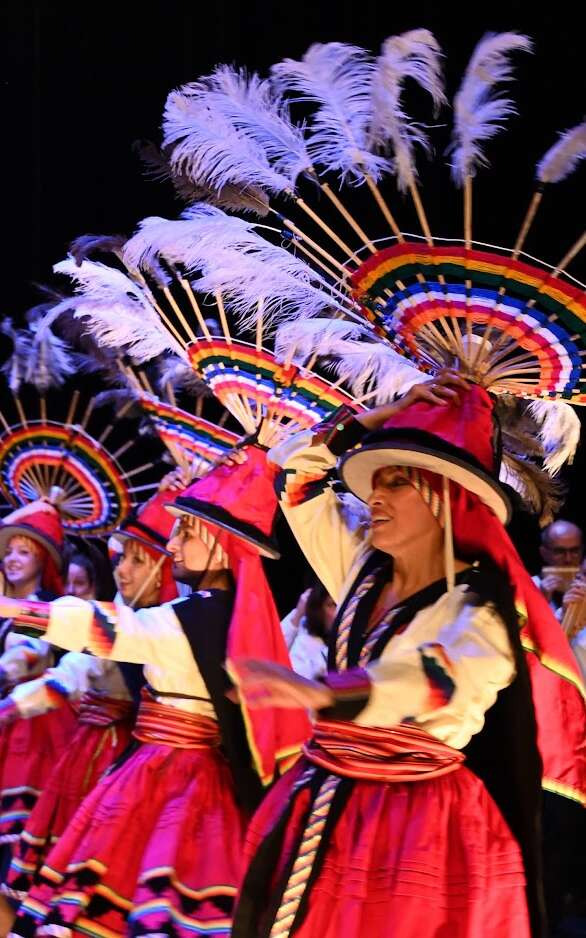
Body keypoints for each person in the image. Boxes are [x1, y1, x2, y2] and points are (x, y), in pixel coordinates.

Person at [228, 374, 586, 938]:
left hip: (416, 827)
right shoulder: (359, 570)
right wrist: (379, 415)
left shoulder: (480, 609)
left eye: (395, 482)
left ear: (446, 497)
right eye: (376, 480)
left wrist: (330, 693)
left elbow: (437, 679)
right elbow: (296, 472)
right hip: (327, 797)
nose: (373, 496)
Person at [0, 446, 309, 937]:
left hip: (171, 777)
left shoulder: (197, 616)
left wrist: (14, 611)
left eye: (186, 532)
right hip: (182, 774)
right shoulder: (231, 617)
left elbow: (109, 629)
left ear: (220, 542)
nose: (174, 545)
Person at [0, 484, 181, 914]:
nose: (123, 571)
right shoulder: (125, 608)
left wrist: (12, 701)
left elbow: (67, 668)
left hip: (129, 750)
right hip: (99, 741)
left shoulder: (170, 617)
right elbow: (77, 668)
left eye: (138, 560)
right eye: (122, 560)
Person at [281, 583, 336, 679]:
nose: (338, 611)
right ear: (319, 609)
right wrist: (297, 615)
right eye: (332, 605)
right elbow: (272, 651)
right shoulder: (304, 634)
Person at [533, 520, 584, 610]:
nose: (568, 559)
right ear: (544, 553)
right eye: (560, 552)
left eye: (574, 551)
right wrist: (540, 602)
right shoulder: (529, 586)